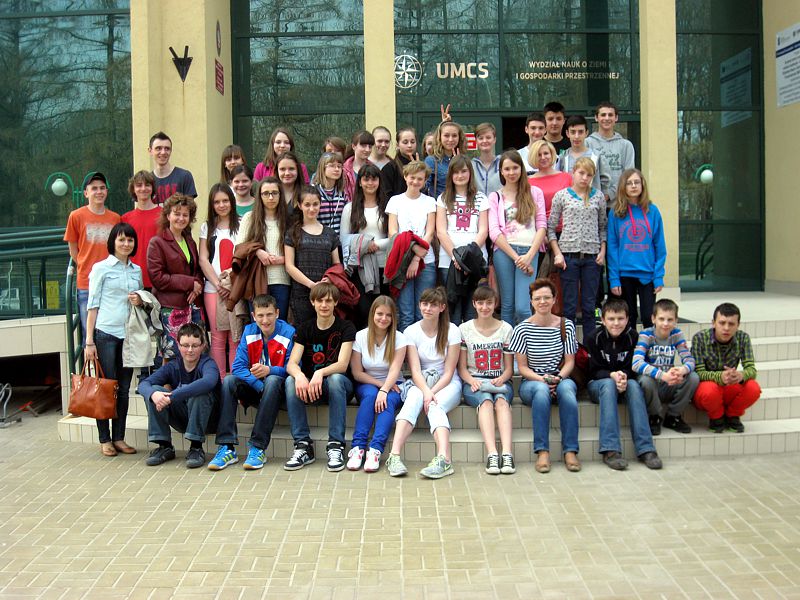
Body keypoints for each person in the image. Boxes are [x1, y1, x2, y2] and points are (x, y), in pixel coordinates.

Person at [208, 294, 295, 471]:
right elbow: (237, 367)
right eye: (260, 315)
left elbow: (293, 368)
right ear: (254, 316)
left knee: (272, 380)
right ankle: (226, 447)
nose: (265, 320)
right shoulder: (249, 331)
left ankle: (257, 447)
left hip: (280, 392)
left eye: (269, 314)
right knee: (229, 381)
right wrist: (259, 385)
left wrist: (270, 370)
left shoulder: (289, 332)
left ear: (277, 313)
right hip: (259, 389)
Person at [386, 287, 462, 479]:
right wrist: (426, 392)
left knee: (435, 406)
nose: (428, 308)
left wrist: (431, 393)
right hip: (421, 381)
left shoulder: (452, 330)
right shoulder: (411, 331)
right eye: (425, 304)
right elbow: (415, 370)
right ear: (419, 305)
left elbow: (449, 371)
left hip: (447, 383)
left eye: (433, 305)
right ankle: (394, 456)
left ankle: (444, 460)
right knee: (412, 400)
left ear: (442, 307)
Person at [510, 279, 581, 474]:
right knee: (541, 391)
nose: (542, 302)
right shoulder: (522, 329)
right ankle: (542, 451)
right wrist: (543, 380)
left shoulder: (566, 325)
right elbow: (522, 368)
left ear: (554, 299)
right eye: (537, 298)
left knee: (567, 391)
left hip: (561, 378)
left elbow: (570, 362)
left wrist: (558, 378)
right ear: (531, 302)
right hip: (532, 382)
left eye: (547, 297)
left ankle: (570, 451)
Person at [84, 223, 143, 457]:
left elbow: (141, 301)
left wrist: (140, 300)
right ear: (113, 242)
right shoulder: (101, 268)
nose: (126, 244)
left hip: (129, 335)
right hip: (106, 334)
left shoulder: (136, 270)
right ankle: (104, 438)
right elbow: (92, 305)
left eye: (130, 240)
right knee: (106, 388)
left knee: (124, 389)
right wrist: (89, 341)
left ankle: (119, 437)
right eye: (121, 240)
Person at [284, 282, 356, 472]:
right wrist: (300, 375)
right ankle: (303, 446)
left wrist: (320, 372)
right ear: (312, 302)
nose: (324, 305)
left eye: (329, 301)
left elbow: (342, 365)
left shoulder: (346, 327)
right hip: (311, 388)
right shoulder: (305, 328)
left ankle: (336, 445)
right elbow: (291, 364)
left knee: (335, 378)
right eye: (320, 301)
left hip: (340, 387)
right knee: (290, 380)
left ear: (336, 303)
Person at [585, 298, 662, 470]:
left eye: (620, 318)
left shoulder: (633, 337)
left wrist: (624, 376)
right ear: (603, 320)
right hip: (599, 386)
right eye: (611, 319)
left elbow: (634, 366)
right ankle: (610, 449)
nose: (616, 323)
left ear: (627, 319)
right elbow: (592, 371)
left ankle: (646, 449)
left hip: (625, 382)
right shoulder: (593, 338)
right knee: (608, 384)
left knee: (634, 385)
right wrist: (611, 375)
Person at [138, 322, 219, 468]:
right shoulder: (173, 366)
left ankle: (196, 447)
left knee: (200, 393)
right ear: (178, 345)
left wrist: (171, 396)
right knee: (155, 391)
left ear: (202, 346)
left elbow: (208, 382)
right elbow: (143, 385)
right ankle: (164, 446)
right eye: (185, 345)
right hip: (183, 419)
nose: (190, 350)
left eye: (195, 346)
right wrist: (154, 394)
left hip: (209, 420)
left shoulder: (208, 363)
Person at [346, 296, 409, 473]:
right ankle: (358, 448)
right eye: (380, 314)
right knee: (370, 396)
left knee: (387, 401)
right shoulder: (360, 336)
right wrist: (381, 386)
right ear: (372, 314)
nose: (384, 318)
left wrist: (386, 389)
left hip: (394, 383)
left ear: (393, 317)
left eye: (388, 315)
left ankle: (375, 450)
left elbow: (395, 370)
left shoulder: (399, 338)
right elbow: (357, 373)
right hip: (367, 382)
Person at [457, 285, 515, 475]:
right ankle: (492, 454)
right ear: (474, 304)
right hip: (475, 382)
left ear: (495, 304)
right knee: (486, 401)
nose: (484, 307)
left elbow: (509, 369)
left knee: (501, 402)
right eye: (480, 303)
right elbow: (462, 368)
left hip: (500, 381)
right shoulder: (464, 329)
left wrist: (502, 378)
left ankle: (507, 453)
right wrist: (472, 381)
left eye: (489, 303)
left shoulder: (506, 328)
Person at [548, 157, 607, 341]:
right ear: (573, 172)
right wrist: (558, 253)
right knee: (570, 307)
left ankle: (590, 349)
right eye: (581, 173)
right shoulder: (562, 195)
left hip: (592, 257)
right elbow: (550, 228)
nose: (584, 178)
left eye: (589, 175)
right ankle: (570, 348)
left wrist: (602, 251)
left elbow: (602, 227)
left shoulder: (598, 197)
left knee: (589, 307)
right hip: (568, 257)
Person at [488, 151, 547, 325]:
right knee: (507, 305)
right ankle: (510, 342)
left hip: (529, 251)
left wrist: (529, 256)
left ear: (521, 169)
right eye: (507, 169)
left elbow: (542, 225)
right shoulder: (495, 196)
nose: (511, 172)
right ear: (501, 171)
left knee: (523, 307)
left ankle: (526, 341)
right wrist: (517, 258)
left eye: (515, 168)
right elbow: (494, 231)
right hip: (504, 252)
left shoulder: (535, 192)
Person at [146, 193, 204, 361]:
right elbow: (158, 278)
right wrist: (190, 283)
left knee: (195, 356)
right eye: (177, 214)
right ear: (168, 215)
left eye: (185, 215)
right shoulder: (157, 243)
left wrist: (197, 285)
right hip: (170, 308)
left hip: (192, 307)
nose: (181, 218)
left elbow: (197, 270)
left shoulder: (190, 241)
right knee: (173, 357)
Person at [64, 172, 120, 340]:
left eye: (102, 188)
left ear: (106, 191)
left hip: (111, 283)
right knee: (89, 333)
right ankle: (89, 358)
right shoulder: (76, 216)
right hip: (86, 283)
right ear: (86, 193)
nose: (99, 192)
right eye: (94, 188)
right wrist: (86, 266)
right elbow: (73, 249)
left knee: (110, 334)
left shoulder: (115, 218)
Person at [607, 169, 666, 328]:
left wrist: (658, 276)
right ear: (623, 187)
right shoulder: (616, 213)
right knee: (629, 318)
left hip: (648, 274)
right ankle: (631, 345)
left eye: (637, 182)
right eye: (629, 183)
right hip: (624, 274)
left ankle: (647, 345)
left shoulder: (653, 211)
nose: (633, 186)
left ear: (642, 185)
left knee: (648, 318)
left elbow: (660, 246)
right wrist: (614, 278)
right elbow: (612, 248)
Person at [632, 299, 700, 436]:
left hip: (669, 383)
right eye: (661, 319)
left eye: (670, 320)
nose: (665, 323)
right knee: (645, 380)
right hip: (652, 384)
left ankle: (673, 416)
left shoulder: (677, 334)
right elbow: (636, 363)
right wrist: (662, 375)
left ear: (676, 321)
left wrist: (681, 370)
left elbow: (690, 360)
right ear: (653, 319)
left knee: (693, 377)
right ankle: (655, 416)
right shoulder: (646, 334)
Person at [692, 303, 761, 433]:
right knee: (709, 390)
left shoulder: (743, 338)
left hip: (729, 386)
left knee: (753, 388)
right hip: (707, 389)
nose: (726, 328)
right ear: (713, 323)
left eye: (731, 324)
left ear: (738, 325)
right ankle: (716, 417)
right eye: (722, 323)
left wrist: (740, 375)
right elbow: (698, 373)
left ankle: (732, 415)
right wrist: (720, 376)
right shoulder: (700, 338)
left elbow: (751, 369)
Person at [436, 155, 489, 323]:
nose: (460, 175)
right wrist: (456, 257)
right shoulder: (443, 198)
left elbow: (483, 230)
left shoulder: (481, 198)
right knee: (453, 311)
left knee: (472, 311)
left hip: (474, 260)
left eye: (464, 171)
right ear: (450, 175)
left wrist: (468, 255)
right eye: (456, 172)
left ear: (470, 173)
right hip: (449, 262)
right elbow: (441, 232)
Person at [386, 161, 437, 331]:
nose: (415, 182)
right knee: (406, 312)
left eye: (420, 179)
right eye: (412, 177)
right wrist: (413, 249)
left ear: (425, 181)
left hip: (426, 261)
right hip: (402, 261)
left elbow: (430, 233)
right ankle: (406, 347)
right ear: (405, 176)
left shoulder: (430, 202)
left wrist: (416, 258)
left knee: (424, 311)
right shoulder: (395, 201)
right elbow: (393, 233)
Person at [340, 164, 390, 327]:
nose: (370, 183)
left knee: (383, 311)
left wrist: (375, 245)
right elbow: (344, 238)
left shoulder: (388, 206)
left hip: (384, 266)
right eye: (366, 179)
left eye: (374, 179)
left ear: (379, 182)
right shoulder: (350, 208)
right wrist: (364, 245)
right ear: (360, 182)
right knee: (364, 310)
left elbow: (394, 236)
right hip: (360, 266)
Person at [199, 184, 239, 378]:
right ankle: (219, 382)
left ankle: (235, 384)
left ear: (232, 202)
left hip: (237, 289)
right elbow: (203, 259)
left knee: (235, 338)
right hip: (212, 289)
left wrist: (232, 285)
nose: (221, 205)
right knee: (217, 337)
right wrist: (218, 284)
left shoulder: (242, 224)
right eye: (217, 202)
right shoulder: (207, 227)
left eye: (225, 201)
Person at [284, 186, 340, 325]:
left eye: (315, 204)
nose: (312, 208)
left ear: (320, 204)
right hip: (301, 294)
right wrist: (311, 285)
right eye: (307, 204)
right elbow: (289, 266)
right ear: (300, 205)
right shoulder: (292, 233)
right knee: (304, 332)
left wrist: (329, 279)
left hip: (326, 295)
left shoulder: (330, 233)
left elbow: (337, 264)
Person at [238, 177, 290, 318]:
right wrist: (258, 252)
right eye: (266, 193)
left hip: (282, 280)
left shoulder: (288, 219)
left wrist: (282, 259)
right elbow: (238, 248)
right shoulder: (250, 217)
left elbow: (297, 251)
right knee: (259, 323)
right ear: (259, 196)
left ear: (280, 195)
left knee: (279, 322)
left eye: (275, 193)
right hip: (256, 279)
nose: (271, 197)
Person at [586, 101, 635, 205]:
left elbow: (628, 175)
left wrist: (609, 194)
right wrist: (597, 195)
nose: (607, 118)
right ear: (596, 118)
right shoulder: (587, 143)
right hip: (592, 204)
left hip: (619, 204)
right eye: (603, 115)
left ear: (616, 118)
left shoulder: (626, 145)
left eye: (610, 115)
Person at [122, 171, 160, 290]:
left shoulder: (164, 216)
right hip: (132, 279)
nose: (143, 189)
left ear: (152, 188)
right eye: (139, 185)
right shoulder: (125, 218)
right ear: (133, 189)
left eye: (147, 185)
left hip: (159, 279)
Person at [556, 115, 604, 192]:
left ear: (586, 133)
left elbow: (605, 182)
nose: (577, 136)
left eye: (580, 132)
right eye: (573, 132)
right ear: (567, 133)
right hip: (569, 198)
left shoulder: (596, 156)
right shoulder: (563, 157)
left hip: (592, 198)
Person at [148, 132, 197, 204]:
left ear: (171, 151)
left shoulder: (184, 176)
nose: (163, 152)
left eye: (167, 149)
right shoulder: (147, 181)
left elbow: (190, 208)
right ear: (150, 151)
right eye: (158, 148)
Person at [424, 120, 467, 198]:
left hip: (462, 203)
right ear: (439, 137)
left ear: (459, 137)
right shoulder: (431, 160)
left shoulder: (464, 160)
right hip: (439, 203)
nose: (450, 139)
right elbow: (423, 187)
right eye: (446, 135)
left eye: (454, 135)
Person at [312, 151, 348, 236]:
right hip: (319, 239)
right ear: (322, 168)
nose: (337, 169)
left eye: (339, 166)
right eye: (332, 166)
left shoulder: (342, 194)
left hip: (339, 240)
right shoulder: (313, 192)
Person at [370, 125, 404, 200]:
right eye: (379, 141)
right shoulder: (364, 163)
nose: (383, 145)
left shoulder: (395, 166)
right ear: (372, 141)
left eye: (387, 141)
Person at [343, 130, 375, 200]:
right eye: (363, 146)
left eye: (370, 146)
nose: (367, 150)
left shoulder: (374, 169)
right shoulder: (344, 170)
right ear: (353, 146)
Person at [471, 122, 502, 195]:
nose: (484, 141)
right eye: (481, 138)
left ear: (494, 139)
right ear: (476, 141)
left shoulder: (502, 163)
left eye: (488, 137)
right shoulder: (471, 165)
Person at [276, 151, 305, 220]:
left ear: (298, 170)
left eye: (291, 169)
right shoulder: (270, 194)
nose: (287, 173)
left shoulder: (305, 193)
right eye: (282, 169)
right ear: (277, 171)